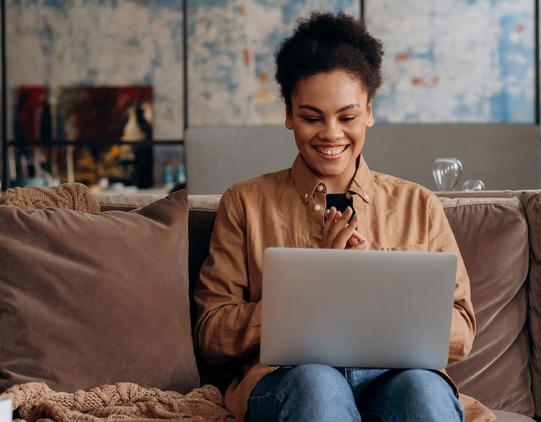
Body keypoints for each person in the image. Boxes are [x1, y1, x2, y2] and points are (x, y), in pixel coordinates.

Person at [194, 12, 494, 422]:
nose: (331, 134)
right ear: (288, 115)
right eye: (311, 117)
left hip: (397, 378)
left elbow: (461, 334)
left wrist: (374, 291)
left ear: (369, 112)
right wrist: (311, 295)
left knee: (423, 390)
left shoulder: (418, 205)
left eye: (348, 117)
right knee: (319, 386)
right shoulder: (245, 203)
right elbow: (211, 332)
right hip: (291, 379)